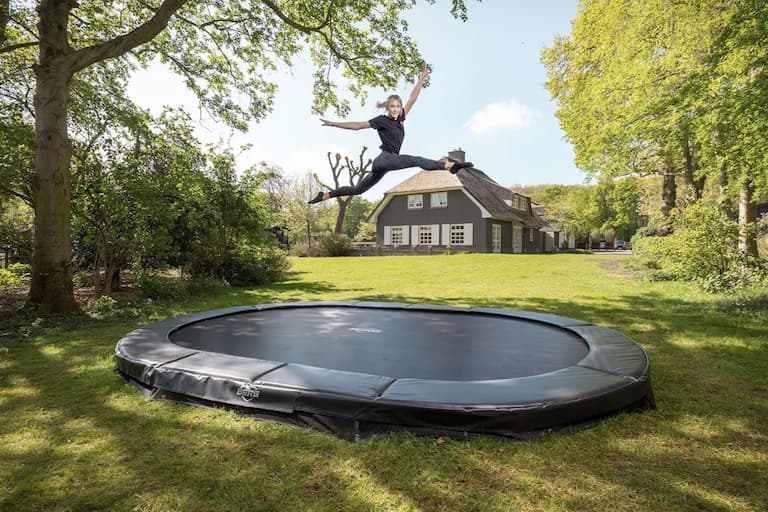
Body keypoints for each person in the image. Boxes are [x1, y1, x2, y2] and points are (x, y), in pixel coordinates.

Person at [308, 63, 474, 204]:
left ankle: (325, 195)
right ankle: (451, 166)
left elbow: (413, 98)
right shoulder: (381, 120)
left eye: (397, 106)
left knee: (358, 190)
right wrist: (334, 124)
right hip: (385, 158)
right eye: (392, 106)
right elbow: (358, 125)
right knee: (415, 160)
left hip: (384, 164)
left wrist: (422, 77)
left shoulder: (401, 118)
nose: (395, 109)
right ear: (388, 108)